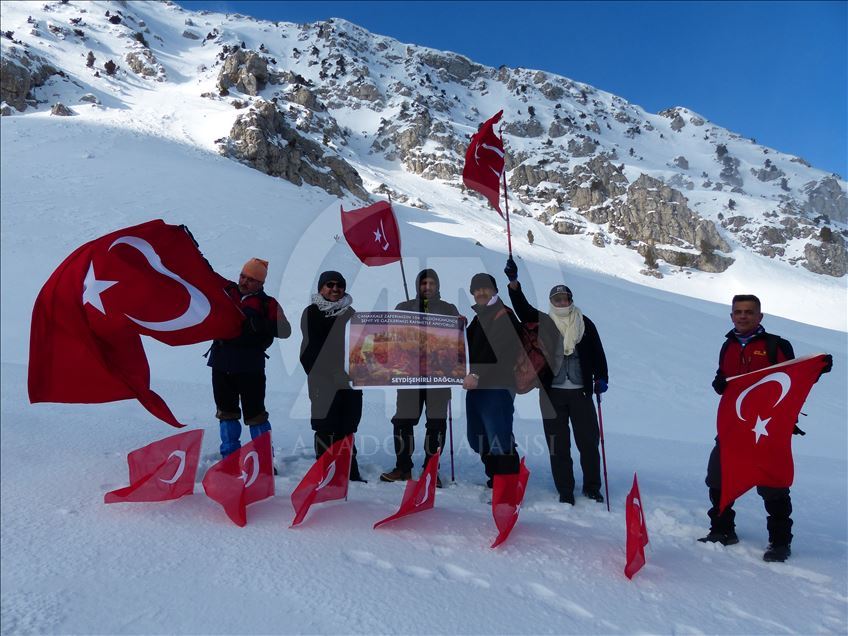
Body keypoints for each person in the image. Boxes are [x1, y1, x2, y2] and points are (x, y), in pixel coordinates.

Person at [700, 294, 801, 562]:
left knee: (773, 484)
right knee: (718, 477)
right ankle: (722, 530)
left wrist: (818, 369)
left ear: (760, 316)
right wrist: (719, 382)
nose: (742, 316)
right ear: (732, 315)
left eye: (748, 312)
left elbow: (793, 379)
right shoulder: (728, 346)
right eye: (738, 312)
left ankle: (780, 543)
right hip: (735, 426)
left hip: (767, 429)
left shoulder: (775, 345)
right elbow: (723, 376)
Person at [504, 257, 609, 505]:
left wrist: (602, 378)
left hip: (582, 393)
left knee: (588, 442)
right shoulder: (544, 323)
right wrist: (513, 282)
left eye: (565, 298)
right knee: (558, 445)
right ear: (552, 302)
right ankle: (565, 489)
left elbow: (597, 354)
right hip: (552, 394)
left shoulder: (586, 324)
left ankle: (592, 487)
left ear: (571, 301)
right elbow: (523, 309)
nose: (562, 302)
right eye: (557, 299)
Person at [380, 269, 460, 487]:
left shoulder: (448, 309)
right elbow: (390, 338)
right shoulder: (403, 308)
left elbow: (459, 340)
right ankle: (403, 467)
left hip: (439, 378)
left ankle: (430, 470)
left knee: (436, 424)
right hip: (409, 378)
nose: (427, 287)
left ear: (438, 286)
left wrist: (461, 324)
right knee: (403, 422)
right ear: (417, 285)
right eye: (424, 283)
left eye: (432, 283)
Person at [207, 258, 291, 463]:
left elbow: (286, 331)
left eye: (251, 279)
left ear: (261, 283)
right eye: (243, 276)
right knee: (226, 414)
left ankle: (264, 462)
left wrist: (261, 324)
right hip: (221, 363)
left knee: (256, 415)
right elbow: (204, 277)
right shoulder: (226, 293)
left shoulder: (268, 303)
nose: (244, 282)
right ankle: (230, 459)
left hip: (250, 367)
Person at [300, 270, 366, 482]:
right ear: (321, 288)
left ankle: (349, 472)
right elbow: (314, 349)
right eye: (330, 284)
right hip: (323, 382)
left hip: (349, 382)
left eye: (339, 285)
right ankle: (324, 473)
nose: (335, 289)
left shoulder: (352, 314)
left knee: (347, 428)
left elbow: (361, 346)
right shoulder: (312, 313)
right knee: (325, 428)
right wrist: (333, 373)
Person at [462, 272, 523, 485]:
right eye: (476, 289)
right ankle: (496, 476)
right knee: (477, 437)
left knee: (498, 437)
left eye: (485, 288)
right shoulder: (480, 318)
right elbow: (465, 347)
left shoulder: (503, 314)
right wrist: (457, 329)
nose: (480, 292)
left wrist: (477, 373)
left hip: (498, 385)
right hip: (477, 386)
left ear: (495, 290)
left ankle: (506, 484)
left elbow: (502, 351)